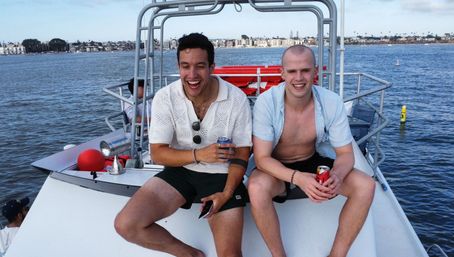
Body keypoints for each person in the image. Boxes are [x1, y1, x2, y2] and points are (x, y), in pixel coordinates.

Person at [114, 33, 252, 257]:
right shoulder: (165, 97)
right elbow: (158, 154)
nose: (192, 75)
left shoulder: (236, 98)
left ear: (212, 67)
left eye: (200, 66)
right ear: (178, 66)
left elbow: (242, 153)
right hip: (181, 170)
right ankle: (190, 254)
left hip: (222, 175)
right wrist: (200, 155)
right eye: (185, 66)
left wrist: (226, 193)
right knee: (126, 224)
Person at [247, 45, 375, 257]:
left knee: (366, 185)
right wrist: (299, 179)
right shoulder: (266, 102)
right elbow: (261, 159)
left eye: (305, 70)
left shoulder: (331, 101)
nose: (299, 78)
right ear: (282, 73)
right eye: (292, 71)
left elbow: (345, 154)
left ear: (315, 71)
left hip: (311, 159)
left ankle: (337, 254)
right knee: (256, 187)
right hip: (276, 168)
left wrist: (336, 175)